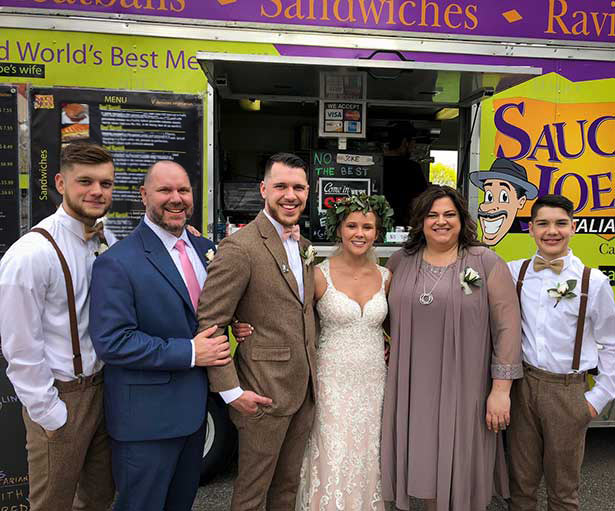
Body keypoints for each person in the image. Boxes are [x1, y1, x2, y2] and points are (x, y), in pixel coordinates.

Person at [233, 193, 395, 510]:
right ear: (339, 229)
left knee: (366, 453)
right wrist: (243, 322)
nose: (359, 233)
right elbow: (283, 311)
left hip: (373, 382)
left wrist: (392, 344)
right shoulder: (319, 274)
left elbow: (399, 324)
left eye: (367, 226)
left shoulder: (387, 277)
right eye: (352, 225)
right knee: (331, 453)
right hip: (330, 381)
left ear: (378, 232)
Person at [89, 160, 230, 511]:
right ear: (144, 195)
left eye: (183, 190)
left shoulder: (206, 250)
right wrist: (192, 353)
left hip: (195, 417)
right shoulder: (118, 262)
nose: (176, 198)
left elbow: (208, 317)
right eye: (165, 190)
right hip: (146, 425)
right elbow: (113, 342)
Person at [381, 185, 523, 511]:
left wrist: (501, 390)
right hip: (413, 383)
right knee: (425, 460)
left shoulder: (484, 262)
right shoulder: (399, 261)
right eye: (432, 215)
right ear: (420, 221)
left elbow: (507, 328)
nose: (440, 221)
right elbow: (378, 313)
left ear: (462, 219)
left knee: (460, 465)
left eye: (449, 214)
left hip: (466, 384)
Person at [196, 152, 317, 511]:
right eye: (281, 186)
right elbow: (211, 322)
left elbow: (300, 312)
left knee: (286, 489)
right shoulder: (240, 247)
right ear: (264, 189)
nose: (290, 195)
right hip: (261, 394)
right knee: (251, 494)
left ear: (308, 191)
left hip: (303, 391)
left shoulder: (305, 247)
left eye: (298, 187)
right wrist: (232, 392)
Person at [0, 142, 116, 511]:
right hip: (61, 397)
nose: (97, 191)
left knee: (99, 499)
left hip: (104, 392)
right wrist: (49, 412)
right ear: (60, 183)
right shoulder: (31, 253)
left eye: (106, 183)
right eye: (86, 181)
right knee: (51, 504)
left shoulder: (105, 238)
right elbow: (19, 346)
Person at [507, 194, 615, 511]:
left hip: (569, 391)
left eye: (560, 223)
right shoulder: (516, 273)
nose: (551, 231)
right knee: (521, 485)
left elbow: (611, 342)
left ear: (574, 228)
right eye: (543, 223)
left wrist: (597, 399)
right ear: (530, 229)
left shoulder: (592, 282)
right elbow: (468, 282)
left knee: (564, 491)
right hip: (523, 386)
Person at [383, 122, 429, 227]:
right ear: (405, 142)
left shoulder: (377, 165)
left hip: (377, 223)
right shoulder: (413, 168)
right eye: (413, 142)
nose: (414, 146)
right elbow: (422, 200)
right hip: (403, 225)